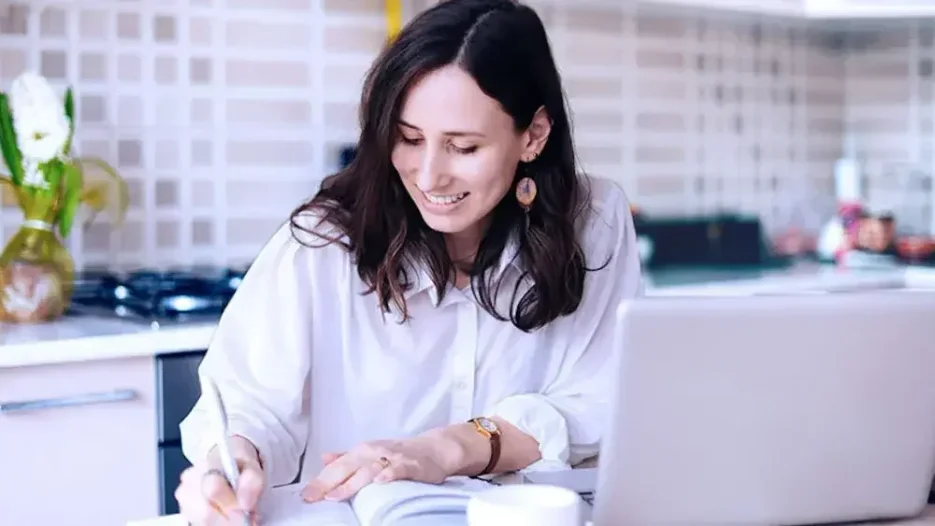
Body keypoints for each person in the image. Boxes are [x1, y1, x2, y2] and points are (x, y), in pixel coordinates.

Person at [174, 0, 644, 524]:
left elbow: (603, 401)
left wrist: (449, 448)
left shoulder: (593, 223)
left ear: (533, 135)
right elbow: (248, 406)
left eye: (463, 147)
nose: (428, 175)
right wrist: (233, 461)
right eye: (409, 138)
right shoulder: (324, 242)